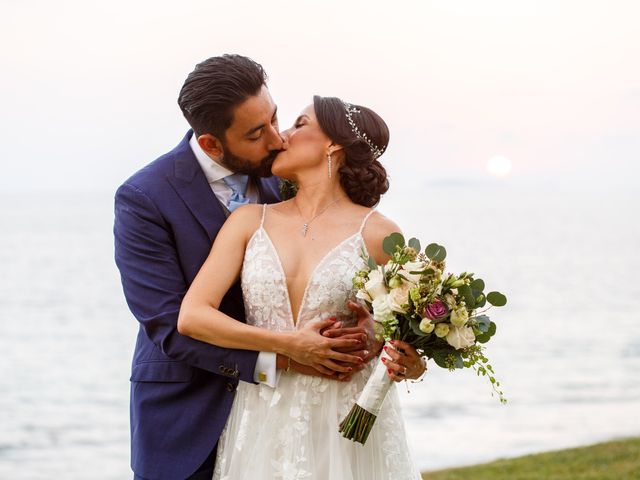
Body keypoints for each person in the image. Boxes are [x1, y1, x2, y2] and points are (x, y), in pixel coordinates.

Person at [114, 55, 382, 480]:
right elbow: (168, 325)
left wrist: (365, 325)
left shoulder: (285, 176)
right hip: (187, 413)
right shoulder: (145, 198)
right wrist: (287, 355)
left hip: (288, 417)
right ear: (211, 145)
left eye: (276, 118)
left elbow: (338, 255)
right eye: (258, 132)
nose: (278, 139)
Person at [178, 95, 425, 479]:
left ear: (333, 145)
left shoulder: (379, 233)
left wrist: (405, 359)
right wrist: (287, 344)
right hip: (262, 413)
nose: (282, 137)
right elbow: (193, 316)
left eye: (299, 124)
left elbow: (408, 337)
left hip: (344, 415)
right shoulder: (248, 221)